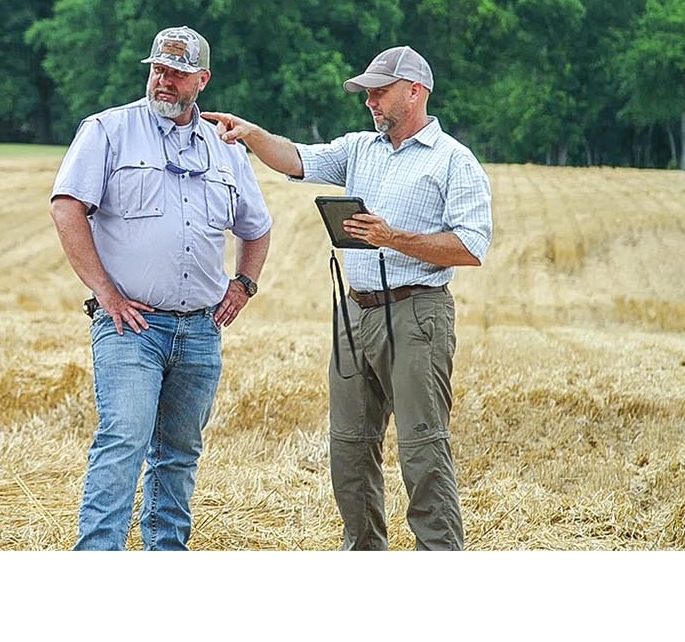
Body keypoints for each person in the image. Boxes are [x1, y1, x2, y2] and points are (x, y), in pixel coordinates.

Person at [201, 46, 493, 550]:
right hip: (354, 311)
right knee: (349, 448)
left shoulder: (453, 161)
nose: (370, 103)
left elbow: (472, 246)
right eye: (367, 94)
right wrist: (250, 135)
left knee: (422, 447)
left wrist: (392, 237)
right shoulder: (361, 149)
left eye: (379, 92)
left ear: (415, 91)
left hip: (417, 312)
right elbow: (297, 159)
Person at [51, 26, 272, 550]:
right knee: (123, 440)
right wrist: (105, 293)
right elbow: (66, 206)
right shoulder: (108, 130)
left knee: (179, 452)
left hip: (200, 330)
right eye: (157, 70)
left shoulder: (226, 148)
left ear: (202, 79)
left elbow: (256, 226)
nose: (164, 82)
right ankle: (99, 557)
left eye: (176, 73)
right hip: (133, 327)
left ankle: (166, 556)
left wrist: (244, 283)